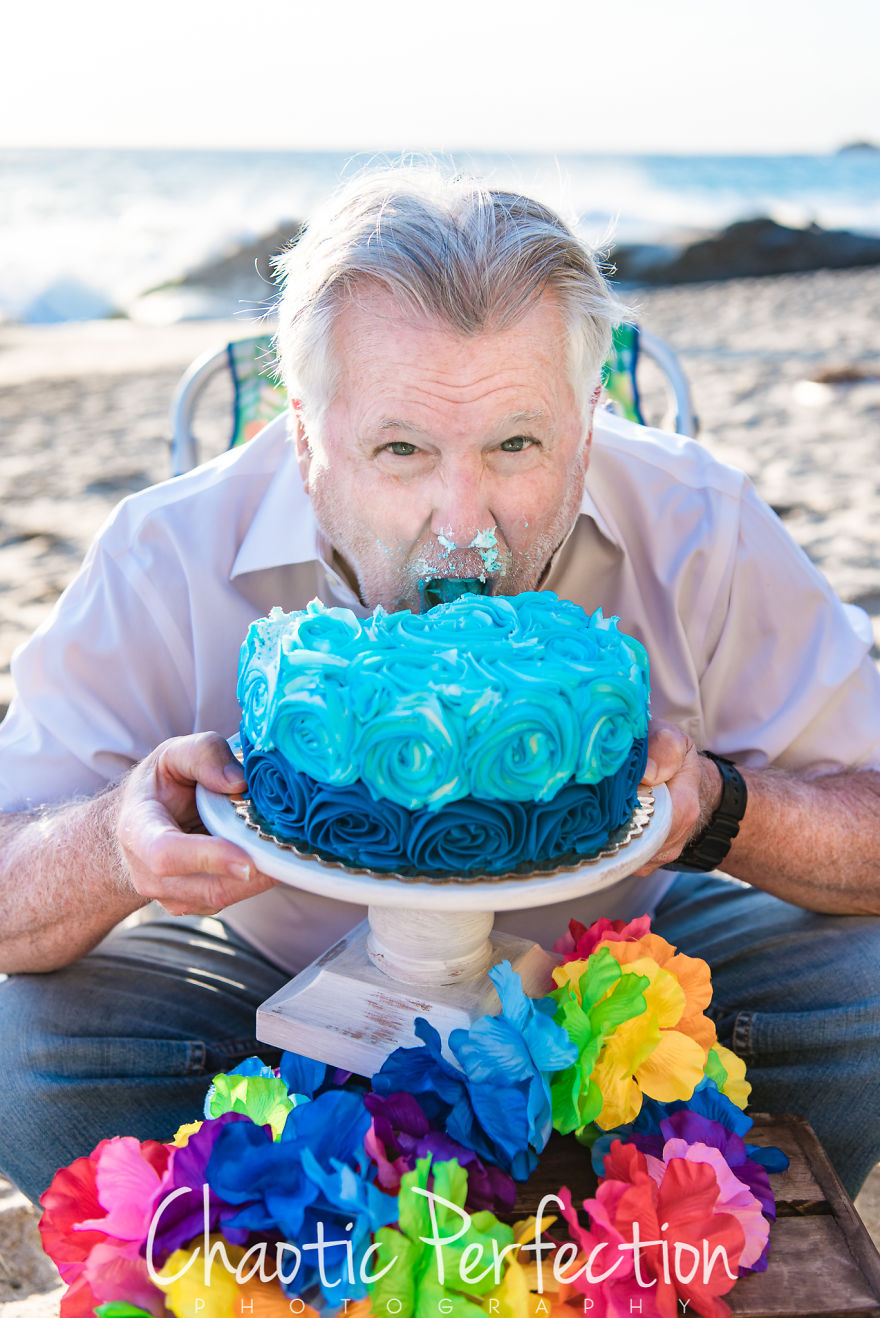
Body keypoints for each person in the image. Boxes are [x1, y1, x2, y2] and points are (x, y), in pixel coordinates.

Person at [2, 167, 880, 1206]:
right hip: (270, 1012)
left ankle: (634, 1216)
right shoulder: (163, 554)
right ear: (301, 437)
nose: (462, 527)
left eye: (516, 444)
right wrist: (115, 839)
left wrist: (722, 808)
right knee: (28, 1053)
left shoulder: (702, 525)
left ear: (587, 424)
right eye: (400, 450)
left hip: (626, 994)